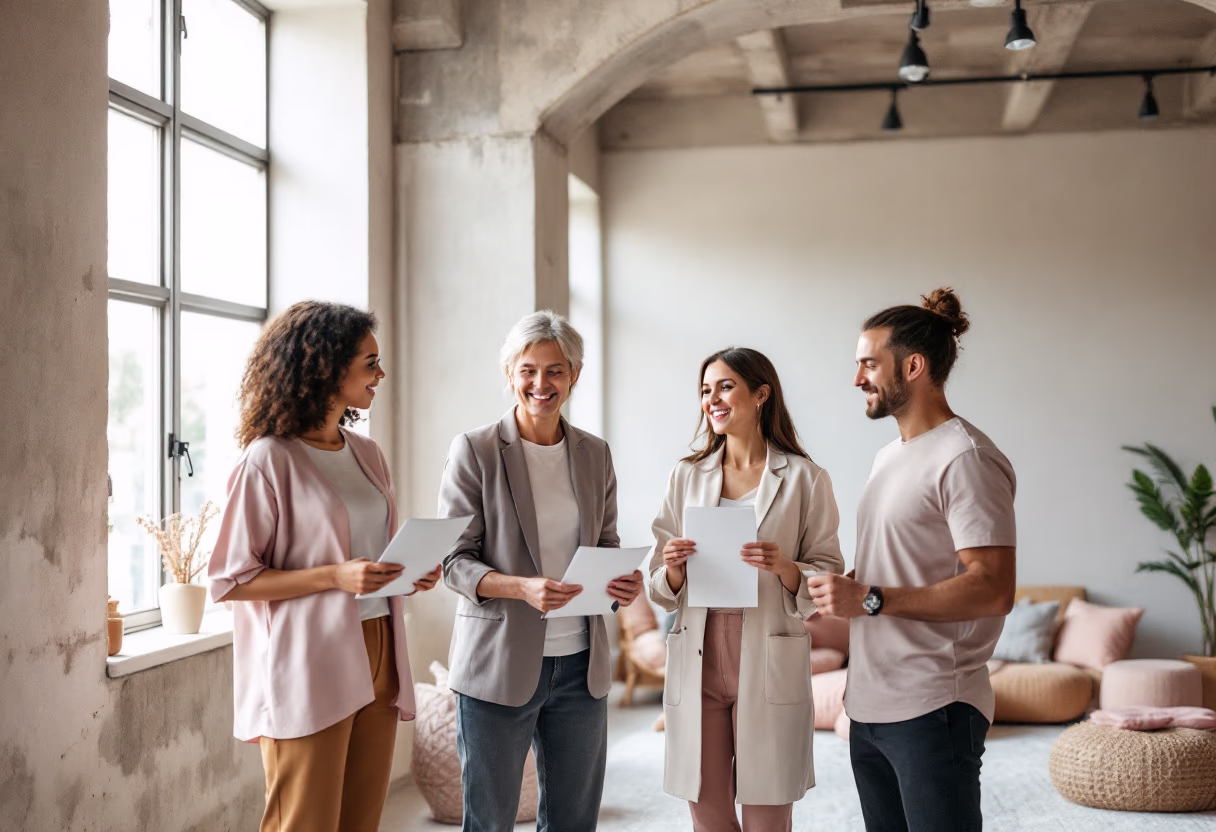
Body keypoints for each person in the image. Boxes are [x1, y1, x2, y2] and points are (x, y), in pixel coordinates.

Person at [208, 301, 441, 832]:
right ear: (329, 369)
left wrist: (408, 575)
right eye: (370, 363)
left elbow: (369, 551)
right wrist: (336, 577)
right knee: (304, 821)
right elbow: (229, 579)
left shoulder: (368, 454)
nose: (380, 374)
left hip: (380, 642)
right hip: (306, 658)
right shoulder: (269, 460)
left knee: (362, 820)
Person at [808, 288, 1017, 832]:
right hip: (870, 707)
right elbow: (902, 567)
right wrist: (849, 589)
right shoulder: (889, 456)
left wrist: (871, 599)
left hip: (933, 707)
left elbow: (993, 588)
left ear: (914, 365)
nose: (857, 379)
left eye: (869, 363)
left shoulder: (966, 458)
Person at [437, 310, 644, 832]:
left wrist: (622, 584)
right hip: (497, 664)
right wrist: (521, 588)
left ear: (574, 375)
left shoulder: (595, 454)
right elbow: (452, 562)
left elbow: (607, 543)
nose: (541, 383)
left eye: (555, 371)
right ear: (510, 373)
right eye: (528, 370)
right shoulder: (476, 451)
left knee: (575, 821)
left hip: (580, 667)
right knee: (490, 820)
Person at [648, 347, 845, 832]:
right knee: (708, 812)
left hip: (769, 651)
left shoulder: (805, 478)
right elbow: (657, 582)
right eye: (704, 390)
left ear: (761, 394)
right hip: (698, 653)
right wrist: (673, 569)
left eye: (725, 386)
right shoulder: (685, 475)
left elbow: (828, 574)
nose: (711, 399)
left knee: (767, 812)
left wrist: (786, 567)